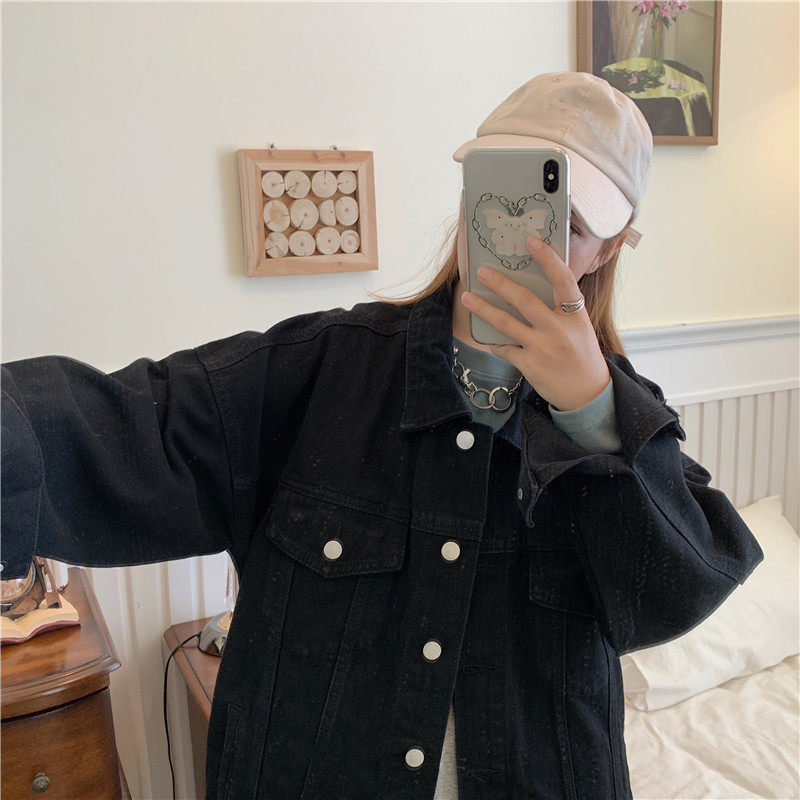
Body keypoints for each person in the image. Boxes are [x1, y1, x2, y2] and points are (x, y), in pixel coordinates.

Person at [0, 71, 763, 800]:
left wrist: (591, 412)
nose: (530, 235)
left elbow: (674, 594)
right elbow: (121, 427)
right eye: (513, 196)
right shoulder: (315, 374)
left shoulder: (625, 424)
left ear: (609, 249)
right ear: (467, 191)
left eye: (573, 222)